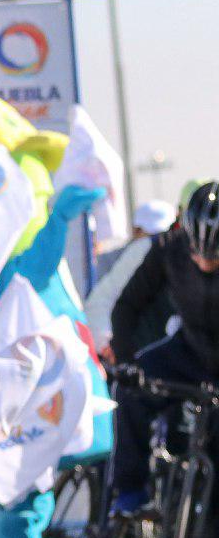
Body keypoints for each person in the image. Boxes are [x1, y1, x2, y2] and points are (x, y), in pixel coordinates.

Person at [109, 181, 219, 515]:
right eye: (197, 254)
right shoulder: (169, 248)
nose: (203, 263)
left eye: (214, 257)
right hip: (187, 351)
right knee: (129, 388)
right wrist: (125, 360)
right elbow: (127, 306)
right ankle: (130, 491)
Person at [84, 197, 177, 362]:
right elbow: (101, 301)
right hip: (144, 359)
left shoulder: (156, 248)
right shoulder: (144, 249)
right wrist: (109, 345)